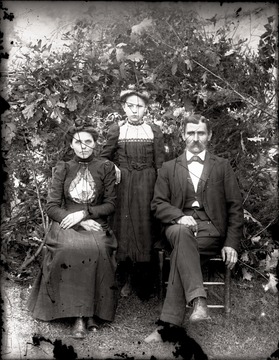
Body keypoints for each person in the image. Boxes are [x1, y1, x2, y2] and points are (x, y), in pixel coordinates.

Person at [145, 114, 244, 342]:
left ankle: (167, 326)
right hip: (176, 227)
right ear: (183, 136)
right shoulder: (169, 168)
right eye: (191, 133)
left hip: (210, 231)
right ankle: (199, 300)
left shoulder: (222, 166)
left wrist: (231, 244)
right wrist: (179, 216)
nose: (195, 138)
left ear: (209, 136)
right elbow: (158, 204)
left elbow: (235, 208)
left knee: (183, 249)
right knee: (181, 234)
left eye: (201, 133)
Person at [27, 124, 118, 339]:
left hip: (95, 221)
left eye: (88, 141)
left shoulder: (105, 167)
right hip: (66, 223)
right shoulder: (64, 168)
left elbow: (111, 205)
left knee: (99, 249)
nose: (83, 146)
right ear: (71, 144)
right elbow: (51, 206)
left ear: (95, 144)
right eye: (78, 141)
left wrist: (85, 215)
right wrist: (77, 221)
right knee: (69, 248)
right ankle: (79, 316)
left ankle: (93, 312)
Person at [101, 86, 165, 299]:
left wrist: (160, 189)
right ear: (123, 107)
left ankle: (144, 280)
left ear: (146, 108)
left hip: (147, 184)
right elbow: (103, 158)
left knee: (146, 227)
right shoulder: (116, 130)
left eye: (139, 106)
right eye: (130, 106)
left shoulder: (153, 130)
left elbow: (160, 165)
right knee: (125, 228)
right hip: (125, 185)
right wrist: (114, 167)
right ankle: (124, 275)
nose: (135, 110)